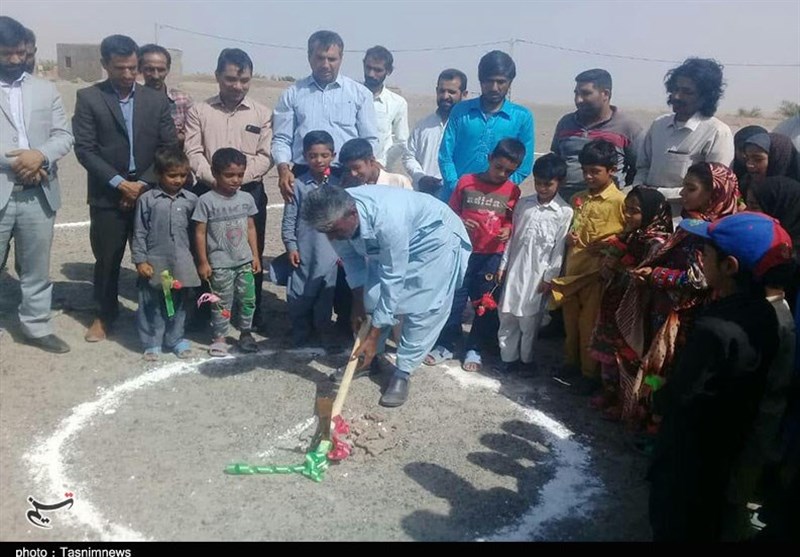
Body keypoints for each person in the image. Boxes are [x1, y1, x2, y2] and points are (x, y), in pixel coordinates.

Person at [648, 212, 786, 541]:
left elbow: (683, 394)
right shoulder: (767, 313)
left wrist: (656, 395)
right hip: (727, 447)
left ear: (729, 266)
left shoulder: (716, 328)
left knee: (675, 522)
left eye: (706, 254)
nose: (701, 259)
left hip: (690, 453)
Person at [301, 185, 472, 408]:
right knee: (372, 298)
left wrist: (374, 334)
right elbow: (352, 264)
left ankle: (403, 372)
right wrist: (358, 304)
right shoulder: (333, 220)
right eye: (326, 232)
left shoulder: (388, 219)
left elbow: (394, 275)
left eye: (334, 231)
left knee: (423, 309)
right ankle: (368, 360)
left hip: (432, 240)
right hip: (393, 245)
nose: (331, 237)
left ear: (352, 213)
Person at [619, 162, 741, 439]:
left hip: (687, 319)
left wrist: (655, 275)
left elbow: (699, 279)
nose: (683, 193)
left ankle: (658, 427)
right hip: (665, 309)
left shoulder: (714, 233)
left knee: (669, 371)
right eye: (684, 186)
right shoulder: (691, 223)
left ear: (714, 193)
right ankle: (648, 415)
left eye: (691, 188)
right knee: (655, 366)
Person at [72, 34, 177, 342]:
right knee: (108, 257)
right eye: (121, 68)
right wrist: (121, 185)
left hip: (150, 192)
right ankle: (105, 314)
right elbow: (85, 150)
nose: (129, 75)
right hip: (108, 194)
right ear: (105, 65)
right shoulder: (89, 98)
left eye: (133, 67)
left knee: (159, 257)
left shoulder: (155, 100)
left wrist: (142, 184)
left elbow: (168, 145)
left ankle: (166, 312)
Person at [184, 48, 272, 330]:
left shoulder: (262, 113)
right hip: (207, 193)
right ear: (217, 77)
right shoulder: (200, 111)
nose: (238, 86)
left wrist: (238, 181)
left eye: (244, 80)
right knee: (208, 252)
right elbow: (193, 151)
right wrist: (217, 181)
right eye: (231, 79)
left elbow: (265, 155)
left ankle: (251, 315)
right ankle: (205, 310)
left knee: (249, 253)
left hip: (249, 193)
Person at [0, 16, 74, 353]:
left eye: (20, 53)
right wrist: (20, 161)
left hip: (38, 194)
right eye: (7, 54)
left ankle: (36, 326)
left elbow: (63, 135)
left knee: (35, 269)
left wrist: (40, 156)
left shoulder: (45, 89)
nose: (16, 60)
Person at [425, 139, 523, 372]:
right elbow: (449, 212)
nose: (502, 174)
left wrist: (508, 229)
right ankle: (446, 343)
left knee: (485, 303)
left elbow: (512, 219)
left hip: (491, 256)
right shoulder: (467, 182)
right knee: (455, 300)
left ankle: (475, 347)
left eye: (509, 171)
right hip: (463, 253)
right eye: (498, 167)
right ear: (489, 158)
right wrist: (459, 221)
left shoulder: (513, 191)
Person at [587, 187, 673, 419]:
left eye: (634, 211)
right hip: (614, 301)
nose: (627, 216)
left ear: (651, 213)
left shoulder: (658, 242)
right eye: (626, 210)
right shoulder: (629, 235)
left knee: (629, 356)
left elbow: (647, 276)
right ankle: (610, 393)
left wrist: (620, 267)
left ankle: (629, 404)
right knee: (610, 350)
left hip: (636, 310)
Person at [550, 139, 626, 394]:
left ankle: (589, 373)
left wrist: (609, 244)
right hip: (573, 272)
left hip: (595, 276)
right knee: (570, 322)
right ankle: (571, 363)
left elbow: (626, 235)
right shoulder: (577, 198)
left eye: (595, 171)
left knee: (589, 324)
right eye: (585, 171)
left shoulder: (620, 202)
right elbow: (571, 228)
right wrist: (569, 237)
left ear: (612, 170)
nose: (589, 176)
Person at [272, 30, 378, 202]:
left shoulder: (360, 94)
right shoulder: (292, 94)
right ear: (309, 57)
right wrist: (283, 170)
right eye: (320, 58)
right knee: (304, 227)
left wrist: (362, 173)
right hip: (304, 175)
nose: (325, 64)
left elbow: (369, 139)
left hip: (347, 175)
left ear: (341, 58)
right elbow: (282, 139)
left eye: (332, 59)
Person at [495, 153, 572, 373]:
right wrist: (503, 266)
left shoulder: (564, 212)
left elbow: (558, 249)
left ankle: (525, 360)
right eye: (538, 183)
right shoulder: (523, 205)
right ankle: (507, 358)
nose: (542, 188)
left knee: (529, 321)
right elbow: (512, 237)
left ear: (560, 183)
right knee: (507, 315)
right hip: (514, 270)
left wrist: (549, 277)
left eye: (548, 184)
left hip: (537, 276)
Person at [636, 58, 734, 218]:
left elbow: (714, 187)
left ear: (705, 97)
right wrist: (639, 191)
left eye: (687, 92)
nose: (677, 96)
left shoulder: (717, 132)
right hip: (647, 215)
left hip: (684, 222)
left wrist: (657, 194)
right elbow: (642, 167)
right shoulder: (658, 125)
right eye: (675, 89)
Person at [438, 50, 534, 202]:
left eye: (501, 82)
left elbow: (524, 166)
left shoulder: (522, 117)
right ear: (481, 81)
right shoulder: (461, 111)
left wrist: (496, 194)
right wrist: (458, 188)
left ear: (510, 82)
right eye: (489, 81)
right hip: (454, 199)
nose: (494, 87)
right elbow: (445, 156)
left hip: (495, 204)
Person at [131, 146, 199, 361]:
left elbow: (197, 234)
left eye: (183, 175)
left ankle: (176, 338)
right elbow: (139, 231)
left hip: (181, 261)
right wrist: (140, 260)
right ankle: (152, 342)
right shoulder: (147, 200)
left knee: (179, 302)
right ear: (159, 174)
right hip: (155, 261)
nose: (178, 180)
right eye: (172, 175)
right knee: (152, 302)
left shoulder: (191, 200)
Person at [193, 148, 261, 356]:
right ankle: (220, 337)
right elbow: (200, 233)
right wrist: (203, 262)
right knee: (221, 301)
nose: (235, 180)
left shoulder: (247, 198)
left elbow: (250, 227)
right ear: (215, 173)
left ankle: (246, 332)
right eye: (229, 175)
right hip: (220, 263)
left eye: (240, 175)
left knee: (248, 298)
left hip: (244, 261)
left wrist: (255, 256)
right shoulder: (206, 201)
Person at [281, 130, 341, 348]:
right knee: (300, 293)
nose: (319, 160)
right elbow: (289, 219)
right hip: (304, 250)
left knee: (325, 294)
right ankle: (300, 331)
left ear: (333, 155)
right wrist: (290, 245)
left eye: (324, 155)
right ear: (305, 156)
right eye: (313, 155)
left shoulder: (338, 183)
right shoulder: (297, 185)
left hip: (331, 252)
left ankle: (323, 330)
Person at [551, 69, 643, 202]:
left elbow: (639, 168)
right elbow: (556, 159)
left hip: (605, 207)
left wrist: (616, 188)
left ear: (605, 94)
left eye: (586, 93)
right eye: (576, 94)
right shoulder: (566, 122)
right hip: (564, 203)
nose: (578, 100)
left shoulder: (628, 127)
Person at [402, 69, 467, 195]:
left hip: (455, 198)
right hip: (423, 195)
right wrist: (420, 177)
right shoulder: (423, 125)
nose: (445, 96)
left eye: (451, 92)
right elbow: (408, 156)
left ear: (464, 94)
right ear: (436, 91)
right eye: (442, 91)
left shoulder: (467, 127)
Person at [138, 44, 193, 148]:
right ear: (140, 69)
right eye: (149, 69)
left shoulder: (182, 100)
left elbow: (192, 136)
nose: (156, 75)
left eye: (161, 70)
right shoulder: (133, 101)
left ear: (168, 69)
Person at [362, 45, 408, 168]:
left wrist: (382, 163)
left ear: (388, 71)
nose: (371, 74)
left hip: (380, 171)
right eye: (368, 68)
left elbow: (402, 141)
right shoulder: (350, 96)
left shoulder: (397, 103)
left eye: (377, 70)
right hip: (350, 169)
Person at [338, 138, 411, 189]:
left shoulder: (399, 182)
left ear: (371, 161)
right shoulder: (349, 187)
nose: (353, 174)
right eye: (348, 169)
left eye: (356, 168)